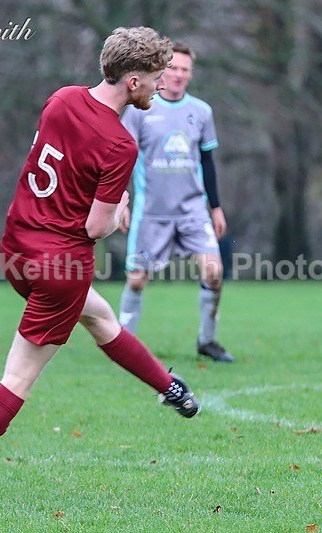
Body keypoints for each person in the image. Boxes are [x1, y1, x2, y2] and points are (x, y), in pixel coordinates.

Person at [0, 27, 199, 501]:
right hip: (60, 267)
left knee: (100, 317)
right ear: (133, 81)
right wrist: (121, 207)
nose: (160, 85)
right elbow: (96, 227)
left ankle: (171, 388)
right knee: (18, 378)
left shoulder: (62, 99)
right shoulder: (120, 145)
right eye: (156, 77)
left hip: (17, 249)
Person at [118, 41, 234, 363]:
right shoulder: (140, 110)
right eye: (173, 68)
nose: (179, 74)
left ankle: (207, 341)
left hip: (193, 211)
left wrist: (216, 207)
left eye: (185, 69)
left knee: (214, 272)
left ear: (191, 74)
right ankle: (121, 345)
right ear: (161, 71)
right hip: (152, 213)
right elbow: (123, 158)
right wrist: (120, 200)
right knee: (136, 281)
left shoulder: (201, 111)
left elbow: (207, 163)